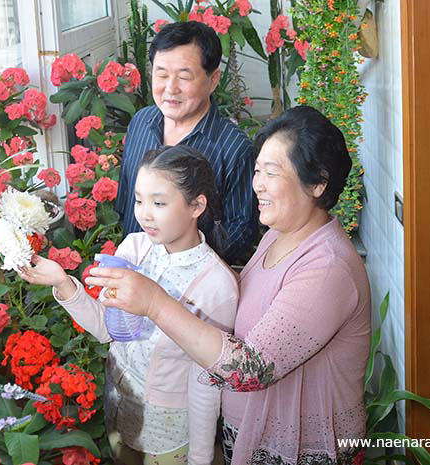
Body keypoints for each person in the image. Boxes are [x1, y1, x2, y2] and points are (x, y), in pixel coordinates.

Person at [86, 106, 372, 465]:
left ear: (317, 183)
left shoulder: (327, 267)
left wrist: (155, 303)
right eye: (257, 171)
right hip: (249, 434)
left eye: (272, 173)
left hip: (300, 449)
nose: (258, 185)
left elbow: (250, 368)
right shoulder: (280, 234)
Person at [19, 145, 239, 465]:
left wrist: (200, 458)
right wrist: (62, 282)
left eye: (159, 202)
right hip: (119, 413)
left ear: (197, 205)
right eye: (138, 200)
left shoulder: (216, 285)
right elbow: (109, 330)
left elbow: (206, 382)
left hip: (170, 436)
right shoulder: (134, 248)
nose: (145, 213)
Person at [115, 21, 257, 264]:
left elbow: (240, 235)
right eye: (161, 74)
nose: (170, 88)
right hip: (134, 270)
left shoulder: (234, 149)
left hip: (193, 289)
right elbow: (127, 203)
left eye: (184, 76)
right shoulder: (141, 123)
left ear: (213, 80)